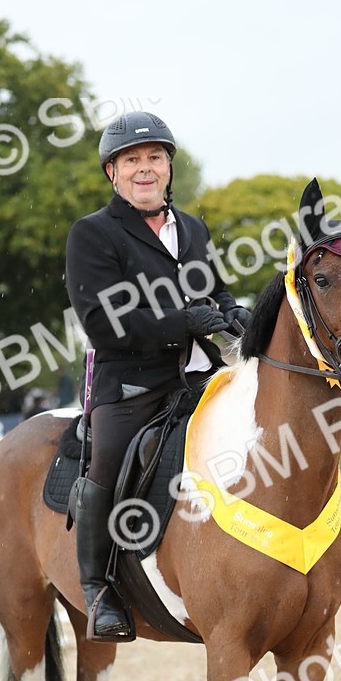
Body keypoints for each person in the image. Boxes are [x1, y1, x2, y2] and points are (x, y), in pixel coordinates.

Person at [65, 111, 251, 641]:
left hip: (198, 377)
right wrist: (184, 322)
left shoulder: (191, 228)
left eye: (154, 158)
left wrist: (234, 315)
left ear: (168, 168)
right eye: (132, 160)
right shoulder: (93, 235)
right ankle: (98, 587)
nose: (144, 169)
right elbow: (104, 323)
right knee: (110, 457)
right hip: (130, 387)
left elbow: (214, 288)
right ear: (113, 173)